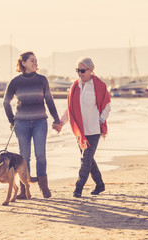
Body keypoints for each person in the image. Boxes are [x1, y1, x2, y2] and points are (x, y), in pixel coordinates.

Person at [3, 51, 62, 198]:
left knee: (40, 155)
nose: (35, 63)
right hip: (21, 124)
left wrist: (56, 119)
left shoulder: (42, 80)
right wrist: (12, 121)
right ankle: (24, 190)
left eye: (36, 61)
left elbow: (49, 100)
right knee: (25, 157)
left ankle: (44, 187)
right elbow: (6, 102)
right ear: (23, 63)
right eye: (32, 61)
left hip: (40, 122)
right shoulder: (15, 82)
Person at [57, 57, 111, 198]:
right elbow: (70, 109)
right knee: (89, 159)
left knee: (85, 159)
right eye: (77, 71)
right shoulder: (75, 87)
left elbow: (107, 106)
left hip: (93, 130)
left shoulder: (99, 86)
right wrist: (61, 123)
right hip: (80, 132)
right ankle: (100, 185)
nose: (80, 74)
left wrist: (100, 121)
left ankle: (78, 187)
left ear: (91, 70)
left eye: (82, 70)